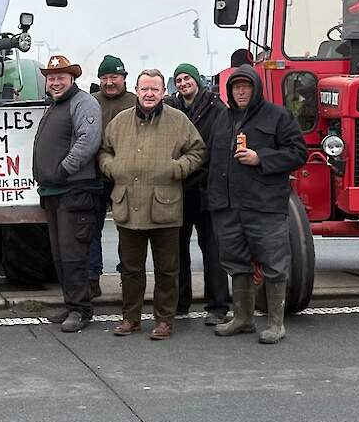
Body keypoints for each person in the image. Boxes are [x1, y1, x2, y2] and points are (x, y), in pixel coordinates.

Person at [99, 69, 205, 340]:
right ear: (136, 90)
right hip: (128, 205)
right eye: (144, 89)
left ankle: (164, 320)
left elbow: (197, 151)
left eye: (155, 90)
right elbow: (104, 150)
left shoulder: (178, 120)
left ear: (163, 93)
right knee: (131, 269)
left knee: (167, 269)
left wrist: (177, 168)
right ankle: (130, 318)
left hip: (164, 207)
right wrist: (112, 167)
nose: (149, 94)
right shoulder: (120, 121)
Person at [207, 64, 307, 344]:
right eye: (236, 87)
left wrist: (260, 158)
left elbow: (298, 153)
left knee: (274, 264)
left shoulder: (278, 116)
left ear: (256, 88)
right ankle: (242, 318)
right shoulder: (222, 120)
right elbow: (211, 161)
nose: (240, 91)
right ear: (229, 90)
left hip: (264, 206)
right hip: (227, 207)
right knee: (236, 263)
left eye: (246, 86)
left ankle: (276, 324)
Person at [33, 55, 102, 333]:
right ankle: (71, 303)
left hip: (74, 191)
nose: (55, 82)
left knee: (74, 253)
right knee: (60, 254)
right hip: (54, 191)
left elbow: (89, 140)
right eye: (51, 78)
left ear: (72, 79)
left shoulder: (84, 103)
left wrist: (63, 170)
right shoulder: (56, 105)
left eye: (61, 77)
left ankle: (81, 310)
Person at [164, 63, 230, 324]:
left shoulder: (217, 109)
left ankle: (218, 305)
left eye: (187, 78)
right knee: (177, 249)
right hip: (179, 190)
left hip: (207, 189)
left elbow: (219, 147)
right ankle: (181, 302)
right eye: (178, 79)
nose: (183, 83)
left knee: (212, 250)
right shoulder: (171, 109)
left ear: (196, 80)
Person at [88, 55, 136, 298]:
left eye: (114, 77)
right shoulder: (89, 102)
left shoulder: (136, 102)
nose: (109, 82)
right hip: (95, 176)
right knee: (91, 229)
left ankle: (126, 278)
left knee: (127, 230)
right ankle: (92, 278)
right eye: (104, 77)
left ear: (124, 78)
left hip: (126, 178)